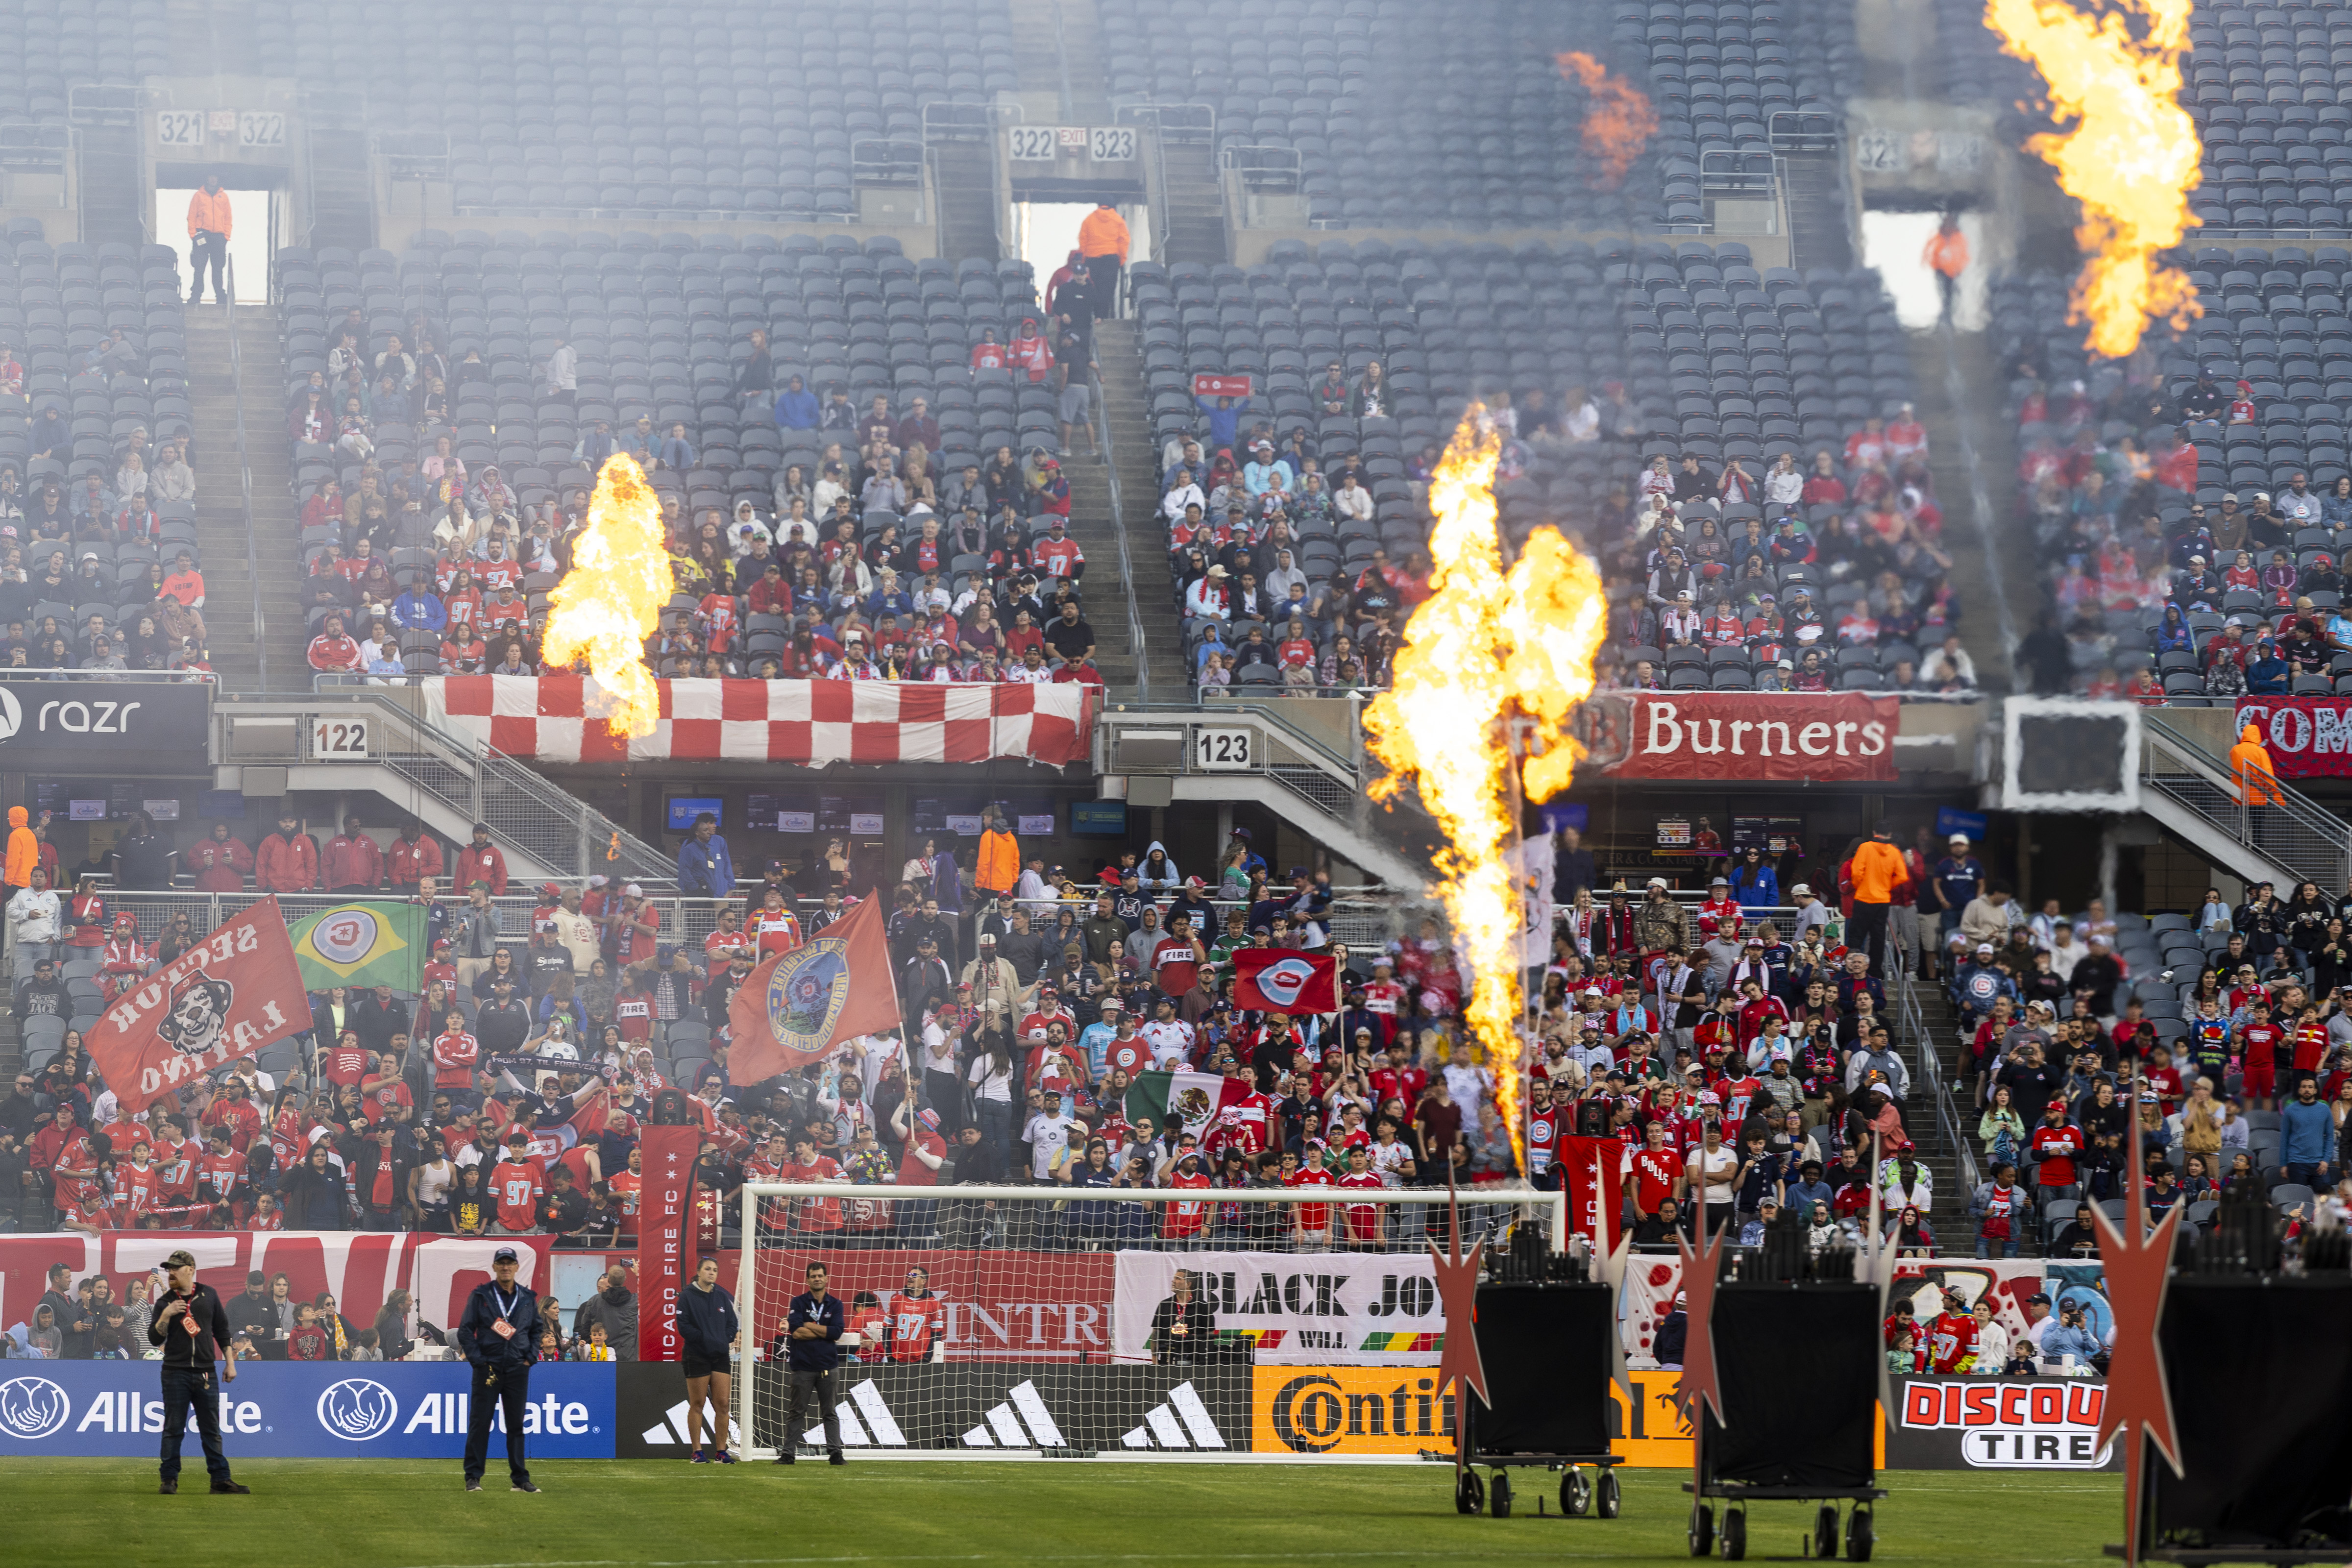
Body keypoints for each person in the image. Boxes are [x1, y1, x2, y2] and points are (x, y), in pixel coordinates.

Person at [149, 1249, 249, 1494]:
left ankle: (220, 1480)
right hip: (175, 1372)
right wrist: (166, 1314)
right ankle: (169, 1480)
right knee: (173, 1428)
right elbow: (154, 1338)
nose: (171, 1273)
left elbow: (222, 1331)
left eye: (176, 1268)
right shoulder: (165, 1302)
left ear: (191, 1270)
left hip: (206, 1372)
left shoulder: (209, 1295)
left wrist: (230, 1363)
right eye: (169, 1268)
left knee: (211, 1429)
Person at [456, 1245, 543, 1492]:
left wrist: (530, 1358)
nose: (506, 1267)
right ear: (494, 1267)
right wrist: (479, 1361)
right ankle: (473, 1478)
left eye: (510, 1263)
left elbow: (537, 1330)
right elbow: (465, 1330)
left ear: (516, 1267)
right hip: (488, 1370)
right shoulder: (481, 1295)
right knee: (480, 1423)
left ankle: (520, 1479)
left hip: (518, 1368)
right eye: (501, 1263)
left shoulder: (527, 1298)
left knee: (516, 1425)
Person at [777, 1262, 847, 1464]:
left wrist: (810, 1325)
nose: (817, 1279)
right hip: (803, 1366)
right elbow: (797, 1332)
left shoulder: (836, 1304)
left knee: (830, 1412)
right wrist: (822, 1330)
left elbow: (837, 1332)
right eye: (813, 1276)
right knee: (796, 1412)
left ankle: (835, 1454)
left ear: (826, 1279)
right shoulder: (798, 1302)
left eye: (820, 1276)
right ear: (807, 1280)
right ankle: (788, 1454)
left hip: (828, 1366)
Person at [678, 1255, 741, 1463]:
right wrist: (706, 1339)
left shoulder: (722, 1297)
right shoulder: (687, 1296)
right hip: (697, 1354)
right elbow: (684, 1327)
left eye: (715, 1269)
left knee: (723, 1404)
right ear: (699, 1272)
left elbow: (733, 1323)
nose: (712, 1272)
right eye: (707, 1269)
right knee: (698, 1403)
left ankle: (721, 1452)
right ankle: (697, 1451)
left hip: (720, 1355)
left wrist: (723, 1339)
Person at [1846, 825, 1908, 977]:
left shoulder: (1865, 847)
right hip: (1883, 901)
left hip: (1863, 898)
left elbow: (1856, 873)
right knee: (1878, 937)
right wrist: (1887, 886)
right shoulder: (1895, 852)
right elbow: (1902, 876)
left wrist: (1861, 886)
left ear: (1874, 832)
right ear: (1890, 834)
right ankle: (1875, 972)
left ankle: (1852, 971)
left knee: (1856, 936)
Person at [1149, 1267, 1216, 1362]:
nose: (1173, 1281)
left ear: (1188, 1284)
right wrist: (1155, 1359)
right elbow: (1156, 1335)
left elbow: (1209, 1336)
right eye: (1174, 1278)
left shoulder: (1202, 1306)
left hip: (1195, 1361)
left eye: (1178, 1279)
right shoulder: (1165, 1305)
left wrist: (1205, 1360)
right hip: (1167, 1359)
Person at [187, 175, 232, 307]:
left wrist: (226, 236)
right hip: (202, 234)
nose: (213, 180)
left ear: (218, 180)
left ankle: (220, 297)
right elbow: (191, 216)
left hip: (219, 237)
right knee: (199, 268)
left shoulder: (224, 197)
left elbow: (228, 218)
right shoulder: (198, 196)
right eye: (211, 178)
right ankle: (196, 296)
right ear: (206, 179)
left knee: (218, 269)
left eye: (215, 178)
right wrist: (193, 235)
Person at [675, 811, 735, 899]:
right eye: (711, 823)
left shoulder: (720, 841)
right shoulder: (689, 845)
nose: (715, 826)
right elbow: (684, 869)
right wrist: (692, 889)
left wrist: (730, 886)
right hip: (700, 894)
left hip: (721, 893)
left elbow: (727, 865)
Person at [1922, 213, 1968, 322]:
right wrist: (1928, 261)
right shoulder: (1938, 236)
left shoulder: (1959, 237)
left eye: (1950, 223)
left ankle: (1950, 311)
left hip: (1952, 272)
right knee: (1944, 291)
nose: (1948, 226)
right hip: (1940, 270)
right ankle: (1946, 310)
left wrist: (1959, 268)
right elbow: (1930, 250)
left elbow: (1964, 255)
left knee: (1951, 292)